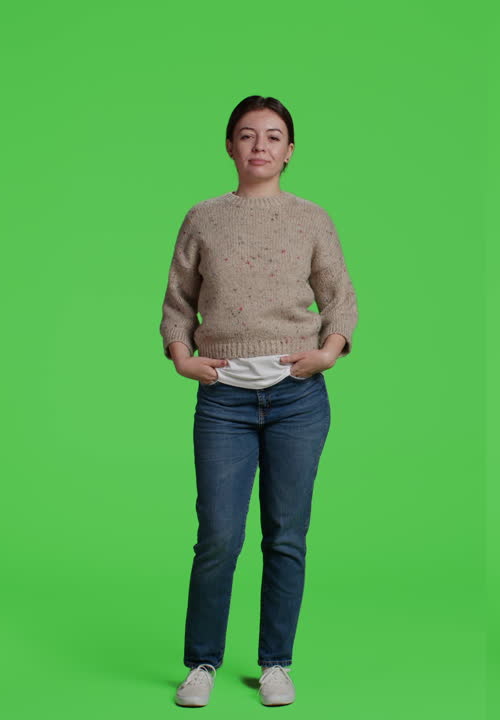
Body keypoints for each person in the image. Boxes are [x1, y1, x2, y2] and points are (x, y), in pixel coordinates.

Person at [160, 95, 357, 708]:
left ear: (290, 151)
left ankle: (275, 661)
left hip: (298, 397)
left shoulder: (312, 218)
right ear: (229, 146)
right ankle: (201, 663)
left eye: (273, 137)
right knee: (218, 533)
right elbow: (175, 302)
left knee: (286, 534)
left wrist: (330, 350)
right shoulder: (202, 217)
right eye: (247, 136)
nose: (260, 146)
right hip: (223, 400)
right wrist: (181, 355)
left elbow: (340, 298)